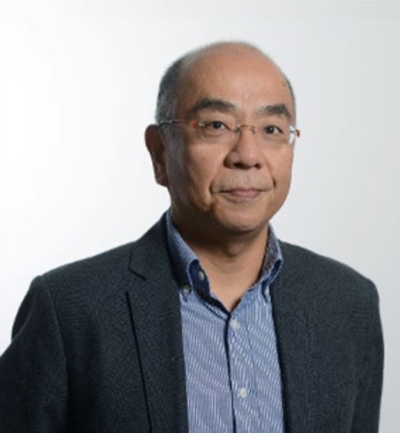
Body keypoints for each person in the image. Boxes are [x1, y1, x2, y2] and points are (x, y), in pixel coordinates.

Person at [0, 42, 383, 433]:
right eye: (216, 125)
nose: (248, 155)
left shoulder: (349, 305)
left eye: (271, 129)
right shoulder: (69, 309)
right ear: (159, 153)